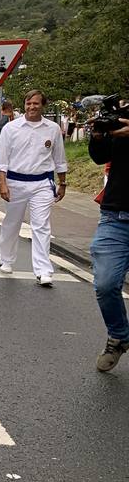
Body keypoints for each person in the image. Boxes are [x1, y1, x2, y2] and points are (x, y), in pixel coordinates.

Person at [0, 90, 67, 285]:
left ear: (43, 105)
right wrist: (2, 184)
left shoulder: (52, 129)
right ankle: (6, 259)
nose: (32, 107)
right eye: (28, 103)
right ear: (24, 104)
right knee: (12, 223)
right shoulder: (12, 128)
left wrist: (62, 182)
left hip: (42, 183)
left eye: (36, 103)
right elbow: (1, 160)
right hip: (15, 182)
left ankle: (43, 270)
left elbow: (59, 159)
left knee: (41, 226)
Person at [88, 112, 129, 371]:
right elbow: (99, 156)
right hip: (115, 217)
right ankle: (119, 336)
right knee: (104, 283)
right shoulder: (122, 119)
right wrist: (98, 134)